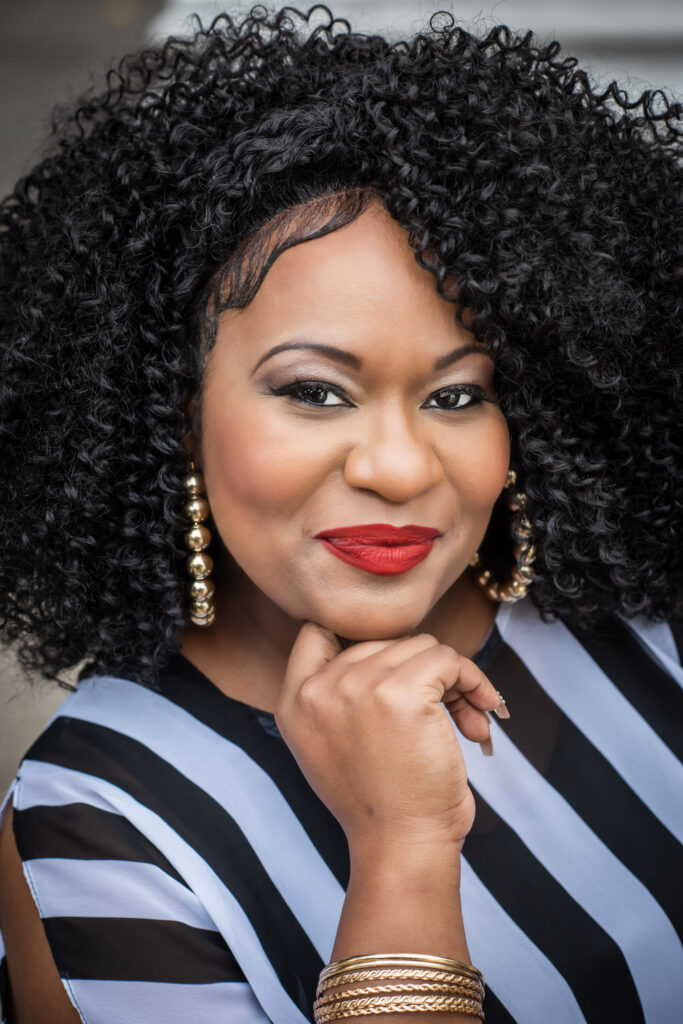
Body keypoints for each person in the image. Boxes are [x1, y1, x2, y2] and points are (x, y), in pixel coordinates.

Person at [0, 5, 681, 1023]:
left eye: (458, 394)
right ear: (171, 412)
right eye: (314, 390)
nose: (399, 467)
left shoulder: (643, 624)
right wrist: (399, 850)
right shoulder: (94, 821)